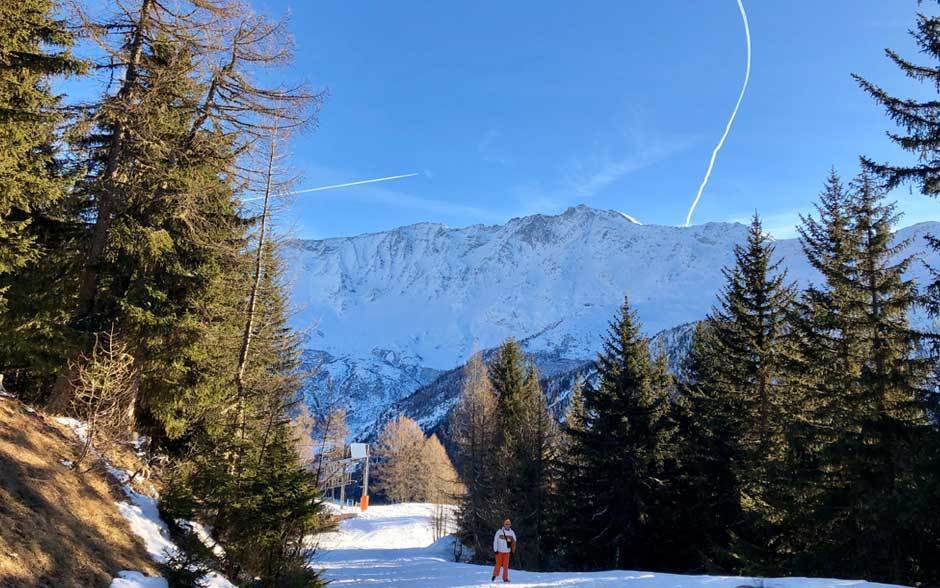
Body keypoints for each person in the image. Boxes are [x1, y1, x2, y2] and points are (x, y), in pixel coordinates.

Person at [491, 518, 517, 582]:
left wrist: (512, 551)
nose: (507, 525)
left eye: (509, 524)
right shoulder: (499, 531)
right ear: (504, 524)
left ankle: (505, 578)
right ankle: (494, 575)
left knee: (506, 566)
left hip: (507, 552)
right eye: (506, 524)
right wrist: (495, 550)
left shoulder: (512, 532)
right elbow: (495, 541)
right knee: (498, 564)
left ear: (510, 525)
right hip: (499, 551)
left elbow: (514, 541)